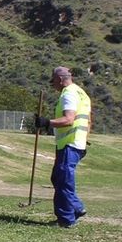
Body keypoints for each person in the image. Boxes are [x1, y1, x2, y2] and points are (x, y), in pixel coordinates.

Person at [35, 66, 92, 228]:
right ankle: (75, 208)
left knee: (63, 180)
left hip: (69, 143)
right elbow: (88, 120)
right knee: (58, 178)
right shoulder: (82, 93)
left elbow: (68, 119)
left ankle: (67, 219)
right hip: (76, 142)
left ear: (60, 79)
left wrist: (46, 123)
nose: (53, 85)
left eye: (53, 81)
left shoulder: (68, 94)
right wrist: (84, 139)